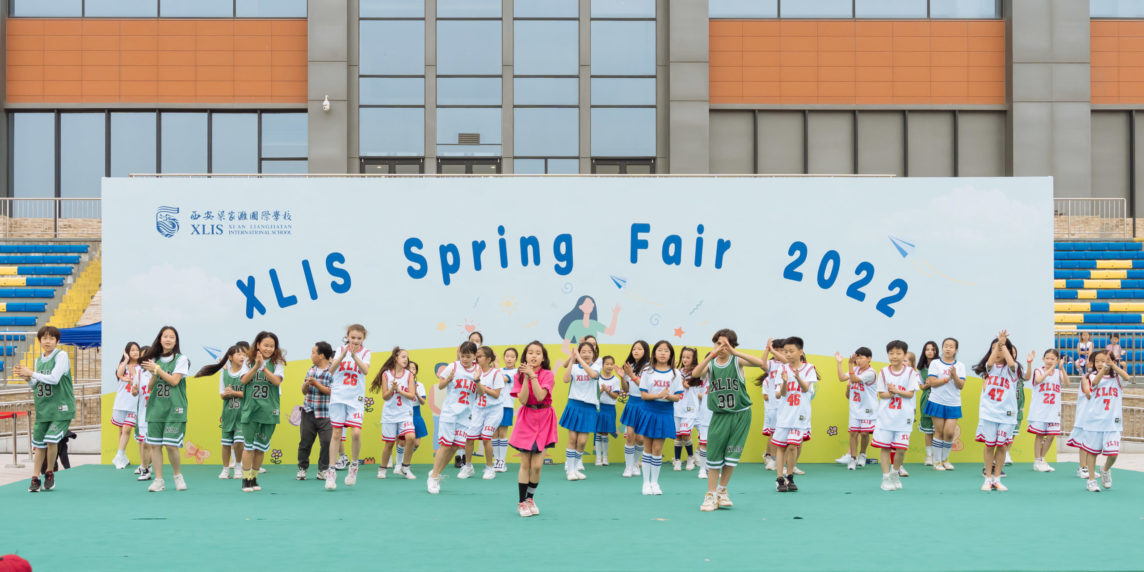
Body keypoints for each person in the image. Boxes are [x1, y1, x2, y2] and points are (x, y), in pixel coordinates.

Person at [690, 329, 760, 511]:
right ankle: (710, 494)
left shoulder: (737, 361)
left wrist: (735, 352)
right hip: (719, 415)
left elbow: (761, 364)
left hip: (740, 415)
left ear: (732, 346)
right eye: (718, 343)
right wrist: (711, 355)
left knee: (731, 456)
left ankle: (722, 491)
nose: (721, 347)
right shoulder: (711, 364)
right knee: (714, 456)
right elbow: (695, 373)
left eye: (725, 344)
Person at [15, 326, 75, 493]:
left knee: (51, 439)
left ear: (57, 341)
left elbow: (54, 379)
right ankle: (35, 478)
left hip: (61, 408)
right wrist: (28, 378)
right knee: (39, 444)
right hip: (43, 409)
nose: (47, 341)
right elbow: (37, 385)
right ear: (40, 340)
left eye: (51, 338)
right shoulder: (38, 360)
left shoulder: (61, 355)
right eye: (44, 338)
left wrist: (31, 373)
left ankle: (49, 472)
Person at [139, 326, 189, 493]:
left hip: (174, 408)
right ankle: (159, 480)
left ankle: (177, 475)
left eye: (171, 337)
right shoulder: (154, 360)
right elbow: (150, 386)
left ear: (176, 341)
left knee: (170, 445)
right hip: (156, 408)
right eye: (165, 336)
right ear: (160, 339)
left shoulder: (181, 359)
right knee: (155, 445)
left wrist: (157, 369)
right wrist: (154, 373)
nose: (168, 339)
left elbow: (174, 381)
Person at [510, 341, 557, 517]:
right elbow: (523, 400)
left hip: (545, 419)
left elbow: (540, 396)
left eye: (538, 353)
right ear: (525, 357)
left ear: (543, 358)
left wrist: (533, 377)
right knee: (525, 464)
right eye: (530, 352)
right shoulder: (519, 375)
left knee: (536, 466)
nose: (534, 356)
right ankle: (522, 502)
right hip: (526, 419)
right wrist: (526, 377)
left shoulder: (548, 375)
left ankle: (530, 498)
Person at [1067, 349, 1125, 492]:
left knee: (1113, 454)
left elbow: (1128, 377)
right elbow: (1095, 383)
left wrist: (1113, 365)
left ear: (1111, 361)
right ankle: (1091, 481)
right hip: (1094, 421)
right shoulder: (1091, 376)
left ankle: (1105, 469)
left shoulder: (1117, 377)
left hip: (1112, 423)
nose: (1100, 363)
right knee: (1092, 453)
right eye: (1097, 361)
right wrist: (1104, 368)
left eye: (1103, 361)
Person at [426, 341, 479, 493]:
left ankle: (436, 472)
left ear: (474, 356)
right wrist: (448, 379)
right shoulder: (453, 367)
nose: (465, 359)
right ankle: (434, 478)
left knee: (455, 446)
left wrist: (478, 380)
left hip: (466, 415)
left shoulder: (478, 371)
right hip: (450, 413)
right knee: (445, 445)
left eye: (468, 356)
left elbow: (481, 393)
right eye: (463, 356)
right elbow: (441, 385)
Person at [634, 340, 685, 495]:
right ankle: (646, 483)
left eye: (666, 351)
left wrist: (668, 396)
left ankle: (655, 483)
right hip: (649, 411)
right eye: (660, 350)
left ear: (671, 354)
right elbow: (643, 395)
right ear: (654, 353)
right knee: (648, 447)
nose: (663, 353)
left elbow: (678, 397)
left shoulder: (676, 373)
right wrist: (659, 395)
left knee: (657, 448)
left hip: (665, 412)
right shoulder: (647, 371)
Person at [973, 331, 1021, 492]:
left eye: (1001, 348)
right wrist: (998, 344)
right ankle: (988, 478)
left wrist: (1003, 344)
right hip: (989, 412)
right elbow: (989, 362)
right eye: (994, 348)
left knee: (1002, 446)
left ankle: (997, 478)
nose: (998, 351)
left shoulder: (1013, 369)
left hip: (1007, 413)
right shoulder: (990, 368)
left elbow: (1012, 363)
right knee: (989, 445)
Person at [239, 331, 285, 493]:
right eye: (266, 345)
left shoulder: (277, 362)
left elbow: (276, 381)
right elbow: (244, 380)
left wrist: (263, 368)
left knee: (260, 448)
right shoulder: (248, 361)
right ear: (258, 345)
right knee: (249, 446)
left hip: (269, 410)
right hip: (251, 409)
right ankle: (245, 479)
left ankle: (254, 477)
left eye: (272, 346)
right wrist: (256, 366)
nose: (268, 349)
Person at [193, 345, 249, 480]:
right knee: (226, 444)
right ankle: (225, 469)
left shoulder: (247, 373)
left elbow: (249, 394)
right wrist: (227, 394)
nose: (242, 357)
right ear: (230, 357)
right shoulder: (224, 373)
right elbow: (222, 395)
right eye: (239, 354)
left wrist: (234, 392)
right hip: (228, 414)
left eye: (244, 354)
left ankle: (238, 467)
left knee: (239, 443)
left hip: (242, 414)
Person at [872, 340, 920, 491]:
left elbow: (910, 393)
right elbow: (881, 394)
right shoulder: (883, 372)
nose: (894, 356)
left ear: (904, 355)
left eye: (898, 353)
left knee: (901, 449)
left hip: (904, 418)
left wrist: (896, 391)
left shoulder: (911, 373)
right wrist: (891, 393)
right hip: (886, 417)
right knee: (885, 448)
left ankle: (895, 473)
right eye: (891, 353)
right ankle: (886, 478)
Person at [327, 324, 371, 487]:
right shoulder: (340, 349)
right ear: (347, 336)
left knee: (356, 433)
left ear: (363, 338)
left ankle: (353, 466)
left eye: (359, 338)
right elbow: (331, 369)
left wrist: (353, 356)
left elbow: (365, 370)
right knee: (336, 434)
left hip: (355, 398)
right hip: (339, 396)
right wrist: (343, 355)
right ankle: (331, 472)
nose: (355, 341)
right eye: (353, 337)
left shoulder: (366, 353)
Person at [774, 337, 816, 492]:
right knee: (781, 447)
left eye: (791, 351)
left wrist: (797, 376)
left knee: (793, 446)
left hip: (800, 415)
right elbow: (781, 394)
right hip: (784, 414)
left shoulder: (809, 368)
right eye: (785, 352)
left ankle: (790, 476)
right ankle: (779, 479)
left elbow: (805, 389)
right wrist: (785, 381)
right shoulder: (782, 369)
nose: (788, 354)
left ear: (800, 352)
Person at [372, 347, 418, 480]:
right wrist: (392, 388)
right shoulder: (386, 374)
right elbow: (385, 397)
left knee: (411, 437)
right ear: (396, 358)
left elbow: (411, 395)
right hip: (390, 414)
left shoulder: (409, 375)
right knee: (389, 444)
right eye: (403, 357)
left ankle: (405, 467)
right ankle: (382, 468)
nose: (406, 359)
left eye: (407, 357)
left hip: (405, 413)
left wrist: (399, 390)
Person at [559, 341, 601, 481]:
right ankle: (570, 471)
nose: (586, 354)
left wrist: (579, 358)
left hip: (589, 407)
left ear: (593, 354)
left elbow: (593, 375)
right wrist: (572, 360)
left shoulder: (596, 366)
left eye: (589, 352)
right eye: (583, 351)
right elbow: (565, 379)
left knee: (582, 442)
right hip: (574, 405)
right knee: (572, 439)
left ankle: (575, 468)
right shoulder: (575, 367)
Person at [926, 338, 966, 472]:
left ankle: (945, 459)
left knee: (949, 433)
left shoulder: (960, 366)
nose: (948, 349)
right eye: (946, 346)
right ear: (942, 348)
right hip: (937, 401)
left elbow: (960, 386)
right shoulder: (935, 363)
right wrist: (946, 379)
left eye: (951, 347)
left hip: (953, 403)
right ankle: (937, 461)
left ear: (956, 350)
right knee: (939, 432)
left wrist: (954, 376)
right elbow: (932, 382)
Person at [1027, 349, 1069, 472]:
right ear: (1043, 359)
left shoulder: (1058, 373)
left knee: (1051, 436)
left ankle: (1042, 459)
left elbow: (1067, 383)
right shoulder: (1038, 370)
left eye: (1052, 359)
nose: (1050, 361)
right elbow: (1039, 380)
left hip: (1053, 410)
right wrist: (1050, 369)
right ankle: (1037, 461)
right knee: (1039, 435)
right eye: (1047, 358)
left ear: (1057, 360)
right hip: (1040, 410)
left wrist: (1062, 368)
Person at [835, 347, 876, 471]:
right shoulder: (856, 369)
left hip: (868, 408)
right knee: (853, 433)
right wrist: (839, 363)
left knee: (864, 433)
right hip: (855, 408)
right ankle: (853, 458)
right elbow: (842, 378)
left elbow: (853, 379)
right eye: (857, 358)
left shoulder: (871, 373)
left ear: (869, 359)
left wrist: (849, 364)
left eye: (861, 358)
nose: (858, 361)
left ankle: (862, 454)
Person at [298, 342, 334, 481]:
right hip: (308, 411)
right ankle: (302, 469)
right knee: (305, 442)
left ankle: (323, 470)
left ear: (321, 355)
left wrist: (316, 383)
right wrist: (307, 384)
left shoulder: (332, 371)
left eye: (313, 353)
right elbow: (303, 391)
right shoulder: (311, 370)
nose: (311, 355)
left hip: (326, 413)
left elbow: (331, 392)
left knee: (327, 442)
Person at [470, 346, 506, 480]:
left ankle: (490, 468)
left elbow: (496, 394)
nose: (477, 358)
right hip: (478, 409)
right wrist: (477, 382)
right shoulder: (475, 372)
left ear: (489, 359)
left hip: (493, 410)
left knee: (486, 438)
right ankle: (467, 466)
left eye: (480, 356)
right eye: (476, 356)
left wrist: (480, 384)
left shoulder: (496, 373)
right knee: (469, 437)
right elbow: (478, 392)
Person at [619, 340, 651, 478]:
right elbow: (626, 389)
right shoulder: (628, 366)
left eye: (639, 349)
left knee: (641, 439)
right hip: (632, 403)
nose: (636, 351)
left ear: (645, 351)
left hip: (644, 404)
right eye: (634, 349)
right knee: (630, 436)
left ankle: (635, 463)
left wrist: (632, 375)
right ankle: (628, 467)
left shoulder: (649, 368)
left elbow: (645, 387)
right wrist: (622, 378)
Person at [755, 338, 787, 471]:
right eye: (776, 350)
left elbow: (786, 361)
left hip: (786, 404)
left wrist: (773, 350)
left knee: (784, 433)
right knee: (774, 433)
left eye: (781, 350)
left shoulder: (787, 364)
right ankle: (773, 459)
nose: (778, 352)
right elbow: (762, 364)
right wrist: (767, 349)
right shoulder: (771, 363)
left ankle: (784, 462)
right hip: (773, 405)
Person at [111, 342, 142, 470]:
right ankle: (122, 457)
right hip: (121, 402)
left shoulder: (141, 367)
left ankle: (119, 456)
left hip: (134, 403)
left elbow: (139, 383)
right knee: (121, 430)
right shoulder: (123, 365)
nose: (135, 352)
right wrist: (126, 359)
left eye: (137, 350)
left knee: (127, 429)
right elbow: (119, 374)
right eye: (132, 350)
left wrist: (133, 377)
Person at [492, 347, 519, 472]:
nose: (509, 359)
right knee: (494, 434)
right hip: (494, 405)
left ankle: (502, 461)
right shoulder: (499, 369)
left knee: (502, 433)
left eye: (512, 357)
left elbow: (502, 379)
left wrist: (496, 363)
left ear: (516, 359)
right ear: (504, 358)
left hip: (506, 405)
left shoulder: (516, 372)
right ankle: (496, 461)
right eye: (507, 356)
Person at [673, 347, 700, 471]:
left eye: (688, 357)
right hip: (677, 407)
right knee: (678, 436)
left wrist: (684, 383)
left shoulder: (696, 372)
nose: (685, 359)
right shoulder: (678, 372)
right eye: (683, 357)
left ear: (693, 359)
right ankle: (677, 460)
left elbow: (690, 386)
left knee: (685, 434)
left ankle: (690, 457)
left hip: (690, 408)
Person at [131, 346, 154, 481]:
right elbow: (135, 391)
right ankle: (145, 469)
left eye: (148, 356)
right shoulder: (139, 373)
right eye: (143, 357)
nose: (145, 359)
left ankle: (148, 465)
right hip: (144, 413)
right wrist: (134, 391)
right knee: (144, 443)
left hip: (157, 412)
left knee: (154, 445)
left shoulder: (158, 371)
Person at [915, 341, 939, 465]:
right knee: (928, 430)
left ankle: (938, 456)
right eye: (927, 349)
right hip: (926, 398)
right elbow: (921, 386)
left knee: (938, 430)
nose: (930, 352)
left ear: (936, 351)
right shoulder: (920, 368)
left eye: (932, 349)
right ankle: (929, 456)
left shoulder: (940, 365)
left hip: (939, 399)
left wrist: (933, 382)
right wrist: (927, 384)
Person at [595, 356, 622, 466]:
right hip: (599, 408)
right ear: (602, 365)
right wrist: (602, 390)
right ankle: (598, 458)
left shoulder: (616, 380)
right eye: (607, 364)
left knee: (605, 433)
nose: (609, 366)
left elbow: (615, 396)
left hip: (609, 409)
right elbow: (594, 395)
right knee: (598, 432)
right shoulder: (597, 378)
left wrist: (607, 390)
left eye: (611, 364)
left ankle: (605, 457)